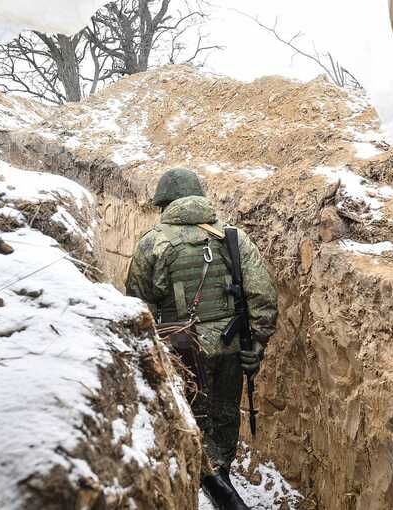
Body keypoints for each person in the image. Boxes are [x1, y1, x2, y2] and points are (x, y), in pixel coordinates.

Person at [125, 167, 278, 510]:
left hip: (179, 350)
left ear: (165, 203)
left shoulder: (153, 243)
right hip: (229, 347)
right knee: (223, 420)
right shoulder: (234, 239)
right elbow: (263, 298)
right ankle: (221, 479)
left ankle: (205, 490)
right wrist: (256, 344)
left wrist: (152, 354)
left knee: (186, 423)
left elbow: (137, 305)